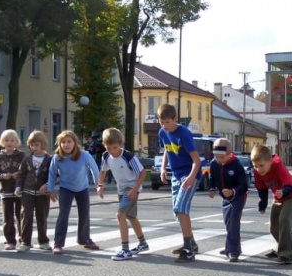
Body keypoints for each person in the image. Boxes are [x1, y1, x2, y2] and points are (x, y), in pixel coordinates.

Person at [43, 130, 100, 255]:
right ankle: (58, 243)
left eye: (69, 142)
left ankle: (85, 239)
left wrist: (98, 184)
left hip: (82, 188)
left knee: (84, 213)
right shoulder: (57, 157)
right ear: (59, 144)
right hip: (65, 189)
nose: (66, 145)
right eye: (63, 142)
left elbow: (94, 169)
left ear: (75, 143)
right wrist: (50, 190)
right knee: (63, 215)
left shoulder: (84, 155)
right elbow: (52, 174)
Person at [157, 103, 201, 263]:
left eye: (167, 122)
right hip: (176, 175)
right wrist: (163, 169)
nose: (164, 126)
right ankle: (192, 244)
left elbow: (196, 160)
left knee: (181, 208)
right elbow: (167, 151)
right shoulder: (162, 132)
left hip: (190, 174)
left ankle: (188, 250)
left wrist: (190, 177)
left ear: (175, 119)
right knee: (177, 212)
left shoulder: (183, 133)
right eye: (161, 122)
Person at [97, 127, 149, 261]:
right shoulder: (105, 156)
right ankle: (143, 243)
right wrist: (100, 185)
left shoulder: (128, 156)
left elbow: (142, 173)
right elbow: (103, 171)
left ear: (120, 144)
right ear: (104, 145)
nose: (112, 151)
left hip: (131, 187)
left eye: (114, 147)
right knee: (131, 216)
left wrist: (134, 189)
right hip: (121, 189)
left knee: (120, 215)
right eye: (108, 148)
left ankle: (125, 249)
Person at [251, 144, 292, 265]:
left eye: (262, 165)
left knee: (284, 219)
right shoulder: (257, 171)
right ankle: (279, 247)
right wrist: (262, 204)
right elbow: (262, 189)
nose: (259, 169)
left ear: (270, 161)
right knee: (273, 226)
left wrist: (283, 191)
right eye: (255, 166)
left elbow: (288, 185)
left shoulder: (279, 166)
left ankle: (286, 254)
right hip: (278, 197)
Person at [208, 138, 248, 263]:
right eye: (216, 156)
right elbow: (212, 176)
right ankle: (231, 246)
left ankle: (233, 251)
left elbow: (244, 185)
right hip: (225, 197)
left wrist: (233, 191)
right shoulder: (214, 164)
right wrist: (211, 188)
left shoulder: (236, 165)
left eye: (222, 157)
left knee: (233, 222)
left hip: (238, 196)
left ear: (230, 154)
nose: (219, 160)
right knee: (227, 222)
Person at [14, 130, 52, 252]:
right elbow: (21, 174)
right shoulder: (27, 159)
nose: (34, 147)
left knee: (42, 217)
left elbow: (53, 175)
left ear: (43, 145)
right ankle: (25, 242)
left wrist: (48, 186)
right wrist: (18, 186)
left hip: (42, 193)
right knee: (26, 216)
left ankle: (43, 241)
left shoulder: (49, 159)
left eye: (37, 145)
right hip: (27, 191)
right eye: (32, 145)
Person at [0, 130, 25, 251]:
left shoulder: (21, 156)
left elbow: (27, 170)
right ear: (2, 142)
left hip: (19, 190)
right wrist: (2, 176)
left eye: (12, 140)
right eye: (6, 140)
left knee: (21, 215)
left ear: (16, 142)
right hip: (5, 191)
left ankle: (23, 239)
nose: (9, 143)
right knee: (7, 217)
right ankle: (10, 240)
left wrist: (19, 174)